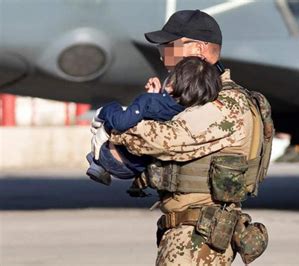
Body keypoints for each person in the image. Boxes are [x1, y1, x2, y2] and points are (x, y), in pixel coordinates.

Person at [90, 10, 273, 266]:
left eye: (170, 46)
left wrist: (114, 121)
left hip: (197, 238)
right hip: (188, 232)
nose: (164, 55)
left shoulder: (226, 104)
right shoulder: (191, 100)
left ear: (199, 49)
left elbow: (163, 141)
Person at [86, 57, 221, 185]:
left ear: (171, 83)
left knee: (115, 113)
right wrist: (156, 96)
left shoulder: (149, 101)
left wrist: (105, 110)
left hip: (113, 158)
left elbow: (121, 123)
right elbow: (159, 115)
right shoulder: (187, 113)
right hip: (136, 168)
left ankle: (97, 163)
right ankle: (98, 164)